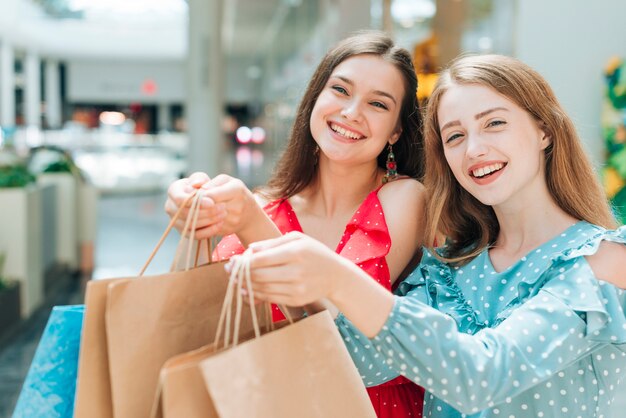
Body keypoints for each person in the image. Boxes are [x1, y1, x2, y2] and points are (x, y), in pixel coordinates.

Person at [239, 54, 626, 417]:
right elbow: (351, 361)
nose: (474, 148)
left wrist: (336, 277)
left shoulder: (604, 262)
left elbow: (481, 375)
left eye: (494, 123)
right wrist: (251, 227)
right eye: (455, 136)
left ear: (544, 131)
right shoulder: (450, 269)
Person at [166, 31, 427, 417]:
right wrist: (192, 218)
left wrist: (252, 224)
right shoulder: (264, 205)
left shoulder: (403, 198)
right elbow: (184, 317)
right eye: (340, 90)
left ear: (395, 132)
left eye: (377, 103)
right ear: (315, 99)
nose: (352, 111)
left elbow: (336, 334)